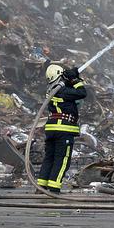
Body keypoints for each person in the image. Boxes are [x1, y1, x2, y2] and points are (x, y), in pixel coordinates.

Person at [37, 63, 87, 193]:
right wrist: (75, 79)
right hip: (63, 129)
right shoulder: (62, 90)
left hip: (52, 129)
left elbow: (71, 92)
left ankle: (41, 186)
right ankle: (54, 188)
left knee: (50, 158)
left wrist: (70, 77)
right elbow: (82, 93)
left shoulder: (52, 89)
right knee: (62, 159)